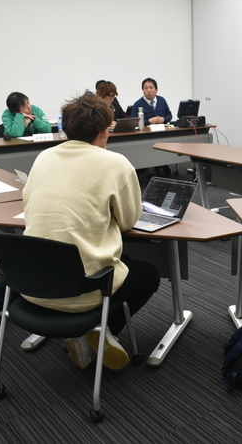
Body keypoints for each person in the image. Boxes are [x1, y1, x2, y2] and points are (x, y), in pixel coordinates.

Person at [23, 91, 160, 370]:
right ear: (103, 131)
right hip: (84, 289)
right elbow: (128, 221)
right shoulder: (115, 163)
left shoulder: (43, 157)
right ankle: (101, 331)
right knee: (148, 276)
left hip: (30, 282)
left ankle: (87, 337)